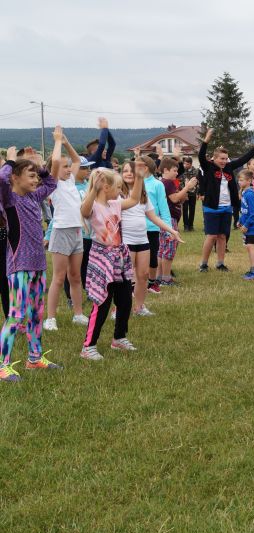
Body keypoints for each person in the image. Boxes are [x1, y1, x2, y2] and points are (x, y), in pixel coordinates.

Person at [0, 137, 64, 381]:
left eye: (36, 176)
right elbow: (1, 179)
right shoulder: (10, 199)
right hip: (19, 266)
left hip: (38, 265)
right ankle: (2, 365)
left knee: (36, 314)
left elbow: (52, 181)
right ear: (15, 178)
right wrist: (10, 161)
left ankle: (34, 359)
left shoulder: (34, 197)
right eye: (31, 175)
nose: (36, 180)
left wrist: (38, 167)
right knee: (16, 315)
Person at [80, 164, 148, 360]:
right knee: (102, 302)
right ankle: (88, 346)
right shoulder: (93, 205)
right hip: (102, 259)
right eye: (118, 187)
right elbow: (84, 211)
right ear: (105, 187)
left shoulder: (115, 204)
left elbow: (134, 200)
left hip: (119, 258)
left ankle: (119, 337)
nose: (120, 191)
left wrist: (139, 178)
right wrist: (94, 189)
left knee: (125, 300)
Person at [116, 162, 181, 317]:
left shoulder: (143, 195)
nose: (128, 173)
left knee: (144, 275)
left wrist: (172, 230)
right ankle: (118, 309)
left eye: (132, 171)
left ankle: (139, 307)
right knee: (125, 277)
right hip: (126, 241)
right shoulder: (118, 194)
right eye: (125, 171)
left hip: (142, 240)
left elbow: (153, 216)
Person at [197, 128, 254, 273]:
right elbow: (201, 156)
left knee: (222, 236)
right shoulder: (208, 167)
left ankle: (220, 263)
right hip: (211, 207)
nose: (224, 161)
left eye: (225, 158)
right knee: (211, 236)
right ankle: (203, 264)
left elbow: (243, 159)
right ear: (214, 158)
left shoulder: (229, 167)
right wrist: (206, 140)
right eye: (221, 159)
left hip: (227, 207)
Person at [43, 135, 89, 331]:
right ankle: (50, 318)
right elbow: (54, 161)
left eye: (68, 166)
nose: (69, 169)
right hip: (61, 232)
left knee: (75, 276)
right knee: (59, 278)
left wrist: (66, 141)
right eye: (65, 167)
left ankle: (78, 314)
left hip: (77, 232)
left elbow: (77, 159)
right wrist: (57, 141)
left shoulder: (70, 180)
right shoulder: (52, 183)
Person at [134, 155, 171, 295]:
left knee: (152, 257)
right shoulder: (132, 182)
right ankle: (134, 284)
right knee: (134, 258)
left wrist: (169, 229)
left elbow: (163, 208)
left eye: (137, 165)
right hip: (135, 228)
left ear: (145, 168)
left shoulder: (157, 184)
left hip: (152, 227)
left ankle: (152, 282)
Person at [157, 158, 191, 286]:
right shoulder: (168, 183)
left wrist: (182, 194)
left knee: (162, 248)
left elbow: (177, 199)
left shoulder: (162, 182)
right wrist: (187, 187)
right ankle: (166, 278)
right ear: (166, 170)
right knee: (169, 248)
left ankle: (159, 277)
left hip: (163, 219)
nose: (177, 173)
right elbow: (175, 199)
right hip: (169, 219)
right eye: (175, 170)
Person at [237, 169, 254, 280]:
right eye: (239, 180)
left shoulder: (250, 195)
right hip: (248, 225)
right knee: (248, 246)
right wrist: (240, 221)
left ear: (249, 181)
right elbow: (245, 210)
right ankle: (253, 270)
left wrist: (246, 225)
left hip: (253, 226)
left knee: (250, 246)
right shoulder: (244, 193)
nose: (239, 182)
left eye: (242, 180)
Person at [179, 156, 198, 231]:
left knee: (192, 209)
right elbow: (180, 181)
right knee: (185, 209)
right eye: (184, 164)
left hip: (193, 193)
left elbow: (197, 182)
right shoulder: (182, 171)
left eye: (187, 164)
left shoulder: (195, 171)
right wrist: (184, 190)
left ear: (190, 164)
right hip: (184, 193)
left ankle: (191, 225)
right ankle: (186, 226)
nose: (185, 165)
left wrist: (195, 191)